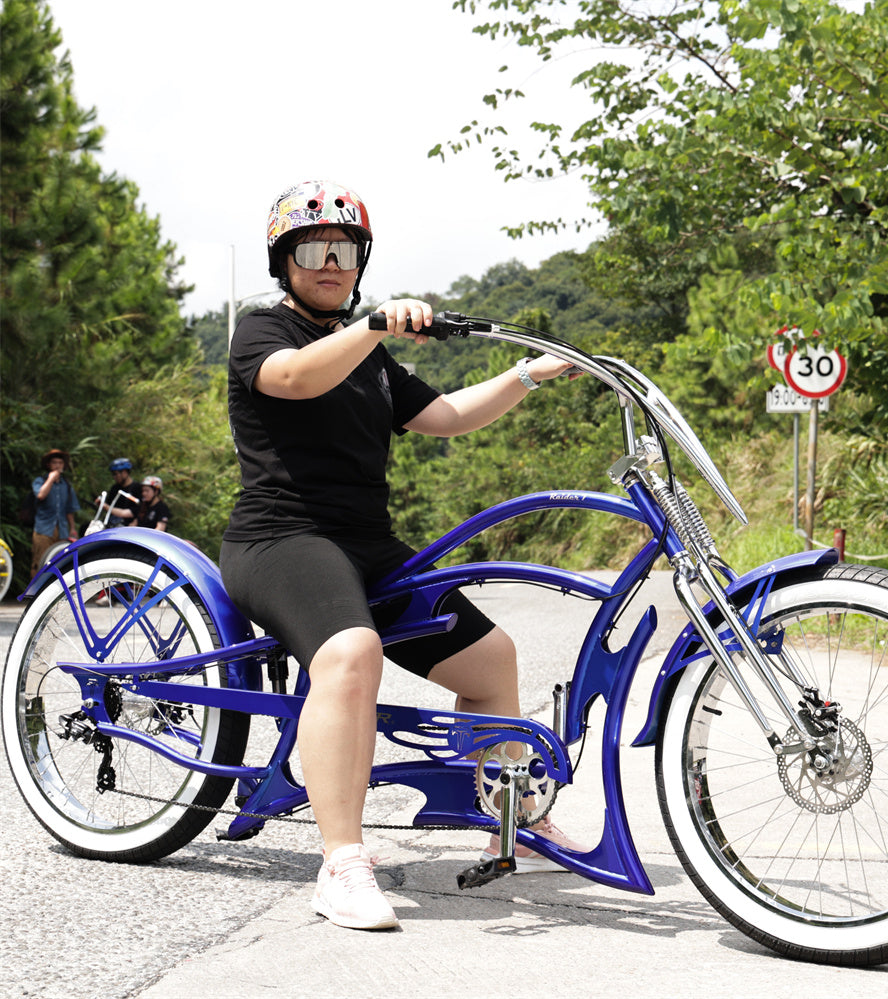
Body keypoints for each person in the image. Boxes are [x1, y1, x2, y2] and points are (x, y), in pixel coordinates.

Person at [220, 180, 582, 932]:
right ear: (285, 262)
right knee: (352, 653)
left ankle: (508, 818)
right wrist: (374, 326)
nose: (331, 264)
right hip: (281, 537)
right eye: (313, 251)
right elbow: (294, 378)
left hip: (368, 545)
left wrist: (525, 375)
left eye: (345, 251)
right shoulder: (263, 333)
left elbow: (446, 415)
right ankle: (343, 863)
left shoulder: (373, 362)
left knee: (491, 660)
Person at [30, 449, 80, 574]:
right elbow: (41, 495)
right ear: (49, 465)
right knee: (40, 563)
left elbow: (69, 510)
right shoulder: (40, 481)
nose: (57, 465)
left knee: (59, 564)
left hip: (61, 531)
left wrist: (72, 529)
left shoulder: (66, 485)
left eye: (60, 463)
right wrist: (51, 479)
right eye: (54, 462)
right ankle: (35, 593)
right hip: (43, 530)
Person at [95, 458, 142, 526]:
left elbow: (134, 512)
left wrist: (106, 507)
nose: (114, 477)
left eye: (115, 474)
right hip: (112, 523)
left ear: (125, 472)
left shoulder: (137, 488)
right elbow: (109, 505)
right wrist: (101, 503)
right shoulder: (115, 488)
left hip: (128, 526)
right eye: (113, 474)